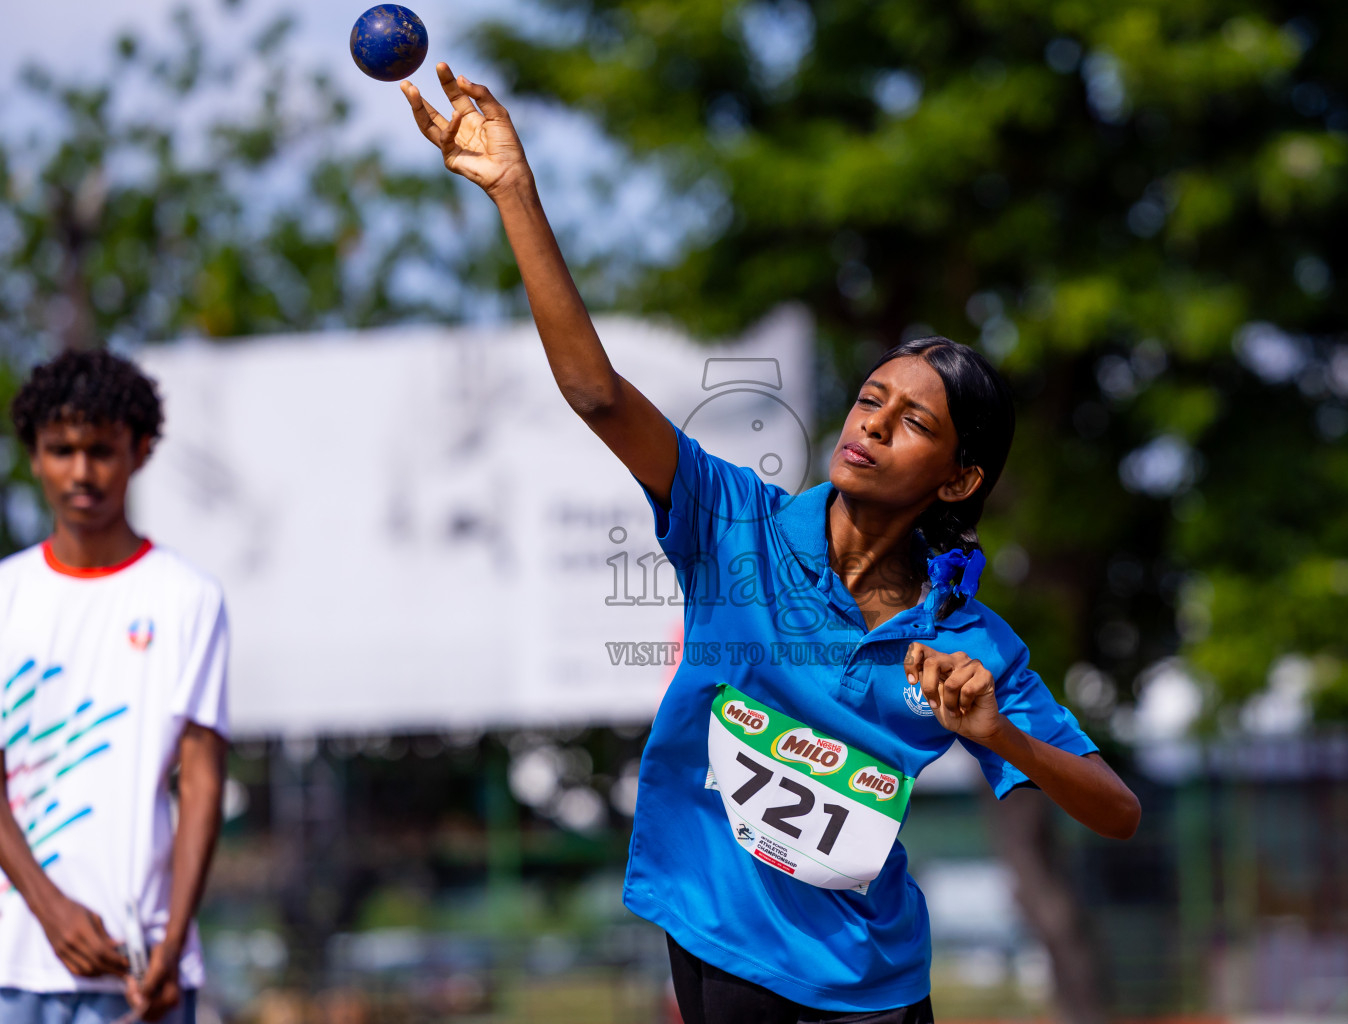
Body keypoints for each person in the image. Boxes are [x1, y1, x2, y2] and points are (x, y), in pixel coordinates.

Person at [402, 64, 1141, 1022]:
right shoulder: (732, 522)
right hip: (727, 944)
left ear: (959, 479)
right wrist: (515, 193)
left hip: (879, 979)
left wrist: (996, 732)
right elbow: (596, 394)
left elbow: (1114, 810)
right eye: (871, 398)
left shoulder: (972, 649)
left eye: (914, 422)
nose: (872, 423)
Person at [0, 351, 229, 1024]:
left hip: (142, 965)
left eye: (101, 450)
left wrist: (173, 942)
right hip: (8, 963)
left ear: (140, 451)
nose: (82, 472)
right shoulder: (0, 598)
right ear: (34, 458)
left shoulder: (188, 599)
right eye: (61, 450)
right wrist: (51, 909)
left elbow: (202, 781)